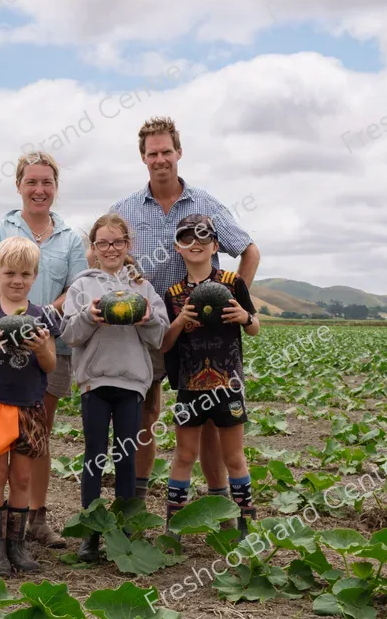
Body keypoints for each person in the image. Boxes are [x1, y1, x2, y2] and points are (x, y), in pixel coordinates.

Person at [109, 117, 260, 500]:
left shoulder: (205, 204)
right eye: (152, 153)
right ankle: (137, 501)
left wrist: (231, 298)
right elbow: (108, 259)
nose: (160, 159)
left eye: (166, 151)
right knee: (145, 412)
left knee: (209, 422)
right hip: (148, 329)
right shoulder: (124, 209)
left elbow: (249, 250)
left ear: (179, 152)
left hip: (201, 335)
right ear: (143, 158)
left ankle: (218, 502)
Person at [0, 151, 88, 549]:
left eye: (47, 183)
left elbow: (75, 289)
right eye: (31, 182)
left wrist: (39, 321)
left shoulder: (71, 237)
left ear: (56, 187)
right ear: (19, 185)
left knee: (38, 434)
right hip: (0, 346)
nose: (39, 190)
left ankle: (34, 519)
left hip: (49, 343)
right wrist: (15, 318)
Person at [61, 214, 168, 562]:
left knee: (125, 458)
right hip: (95, 381)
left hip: (132, 383)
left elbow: (159, 336)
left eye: (118, 242)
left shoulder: (142, 288)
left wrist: (148, 316)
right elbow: (69, 335)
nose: (111, 249)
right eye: (103, 243)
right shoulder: (81, 286)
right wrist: (89, 317)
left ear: (128, 246)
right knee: (94, 457)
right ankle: (90, 532)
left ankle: (123, 533)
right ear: (93, 248)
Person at [161, 215, 260, 532]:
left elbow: (255, 327)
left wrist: (244, 316)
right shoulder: (173, 293)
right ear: (178, 248)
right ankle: (173, 526)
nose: (195, 244)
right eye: (187, 238)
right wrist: (179, 321)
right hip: (189, 387)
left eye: (203, 238)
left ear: (215, 245)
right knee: (184, 455)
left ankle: (246, 524)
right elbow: (164, 344)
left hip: (228, 386)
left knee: (234, 457)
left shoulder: (233, 284)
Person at [0, 237, 59, 575]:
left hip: (30, 409)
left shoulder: (42, 317)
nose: (17, 280)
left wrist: (40, 349)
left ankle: (16, 545)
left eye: (24, 273)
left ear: (34, 276)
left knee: (21, 478)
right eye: (9, 273)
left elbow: (50, 365)